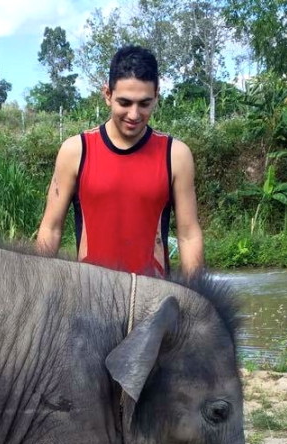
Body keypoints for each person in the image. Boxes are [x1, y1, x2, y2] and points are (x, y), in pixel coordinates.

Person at [35, 45, 205, 279]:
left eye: (144, 104)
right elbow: (51, 228)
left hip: (153, 299)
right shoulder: (76, 151)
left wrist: (195, 299)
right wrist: (41, 287)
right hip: (92, 298)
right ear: (107, 95)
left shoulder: (175, 154)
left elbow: (188, 235)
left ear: (156, 95)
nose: (134, 115)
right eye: (124, 103)